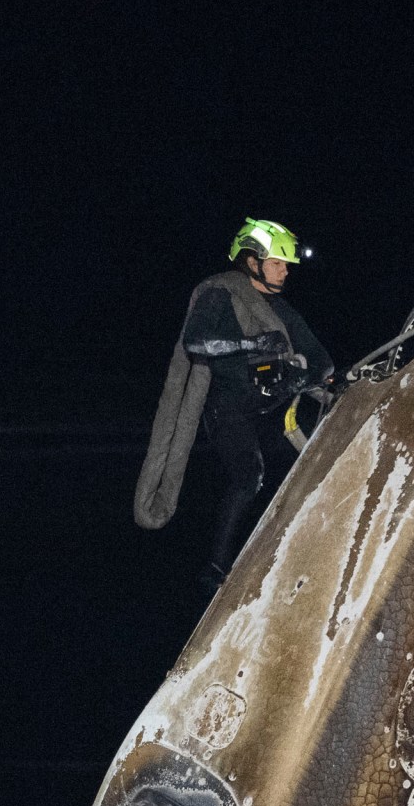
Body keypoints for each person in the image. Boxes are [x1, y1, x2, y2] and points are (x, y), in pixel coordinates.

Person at [133, 218, 334, 584]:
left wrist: (300, 378)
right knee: (248, 474)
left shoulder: (280, 310)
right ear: (251, 261)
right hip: (227, 408)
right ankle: (216, 566)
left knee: (308, 465)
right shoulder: (220, 293)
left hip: (274, 408)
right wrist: (252, 345)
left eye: (286, 264)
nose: (285, 271)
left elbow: (321, 360)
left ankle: (299, 551)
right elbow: (196, 341)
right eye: (277, 263)